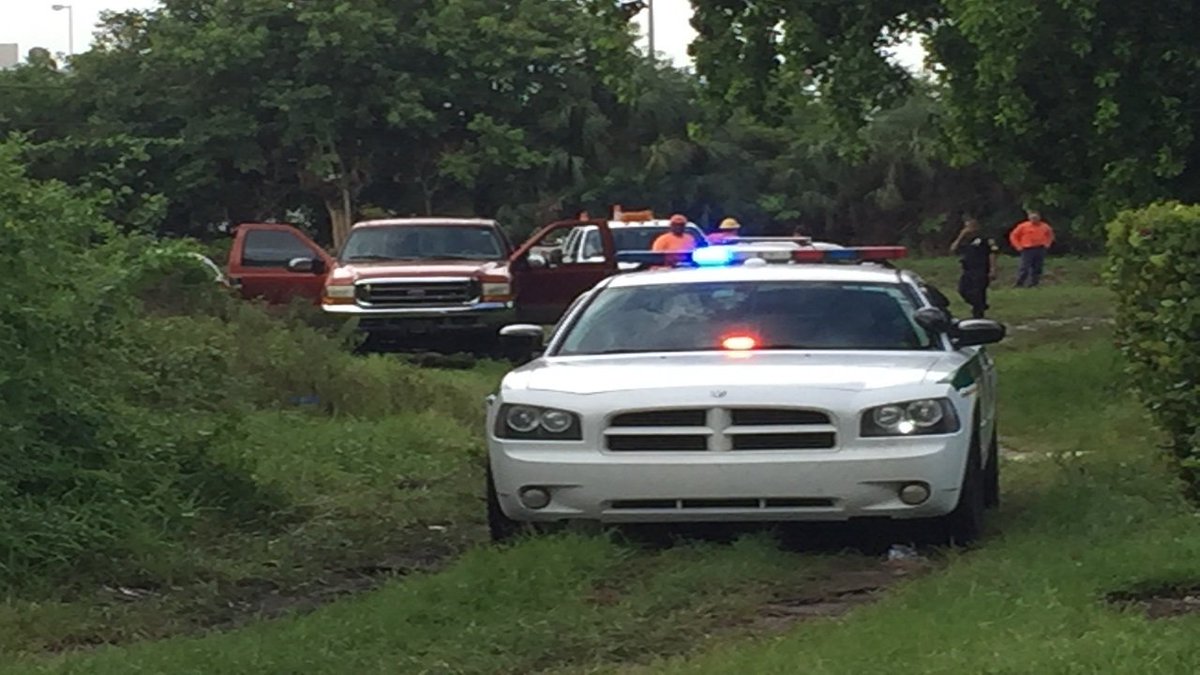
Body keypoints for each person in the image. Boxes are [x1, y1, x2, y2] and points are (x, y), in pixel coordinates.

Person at [950, 218, 999, 319]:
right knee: (962, 290)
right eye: (966, 227)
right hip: (968, 269)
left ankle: (978, 314)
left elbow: (992, 253)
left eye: (970, 227)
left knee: (979, 292)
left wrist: (993, 269)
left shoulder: (985, 238)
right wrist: (960, 236)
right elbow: (953, 249)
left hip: (981, 268)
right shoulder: (966, 240)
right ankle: (979, 305)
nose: (968, 229)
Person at [1009, 210, 1055, 287]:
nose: (1034, 219)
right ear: (1029, 218)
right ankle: (1019, 283)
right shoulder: (1023, 226)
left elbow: (1050, 235)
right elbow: (1013, 236)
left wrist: (1047, 244)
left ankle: (1034, 283)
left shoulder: (1045, 226)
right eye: (1032, 218)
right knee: (1024, 267)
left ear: (1039, 218)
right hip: (1027, 249)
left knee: (1038, 267)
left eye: (1036, 218)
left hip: (1040, 248)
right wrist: (1018, 246)